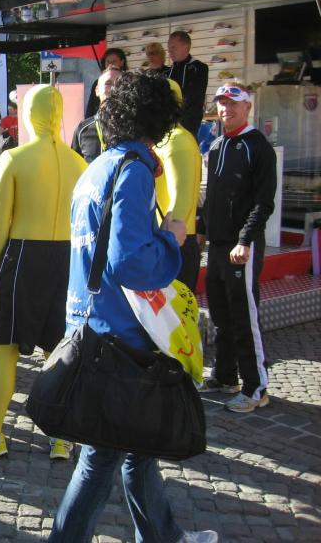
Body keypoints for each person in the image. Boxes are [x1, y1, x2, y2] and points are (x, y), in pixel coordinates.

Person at [51, 70, 217, 543]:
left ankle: (166, 537)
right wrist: (171, 239)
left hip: (92, 325)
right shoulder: (135, 169)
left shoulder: (100, 166)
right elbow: (130, 262)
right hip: (120, 337)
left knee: (134, 449)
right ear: (160, 119)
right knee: (104, 456)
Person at [0, 84, 86, 460]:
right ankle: (60, 437)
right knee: (58, 349)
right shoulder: (80, 163)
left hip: (23, 256)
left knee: (6, 350)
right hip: (65, 257)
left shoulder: (14, 159)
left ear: (30, 115)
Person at [197, 83, 277, 413]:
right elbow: (212, 196)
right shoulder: (217, 146)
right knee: (220, 316)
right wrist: (202, 230)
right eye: (222, 103)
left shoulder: (258, 147)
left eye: (232, 103)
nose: (226, 109)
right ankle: (225, 375)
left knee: (244, 317)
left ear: (247, 106)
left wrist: (245, 240)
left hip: (241, 246)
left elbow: (263, 203)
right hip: (217, 246)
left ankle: (256, 388)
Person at [154, 79, 202, 292]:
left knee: (175, 311)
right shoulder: (166, 139)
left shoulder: (177, 140)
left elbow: (182, 197)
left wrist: (168, 240)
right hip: (168, 238)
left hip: (175, 241)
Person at [71, 66, 121, 163]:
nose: (114, 88)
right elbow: (74, 167)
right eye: (108, 83)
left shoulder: (134, 128)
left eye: (119, 84)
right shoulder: (83, 130)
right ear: (97, 90)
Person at [167, 30, 209, 138]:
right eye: (169, 48)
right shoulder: (168, 71)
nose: (170, 51)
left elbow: (194, 98)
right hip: (168, 126)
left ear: (186, 47)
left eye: (173, 47)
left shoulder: (198, 68)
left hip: (188, 126)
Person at [84, 48, 127, 118]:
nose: (111, 64)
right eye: (108, 62)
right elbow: (91, 107)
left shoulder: (129, 81)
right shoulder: (98, 82)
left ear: (122, 62)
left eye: (114, 61)